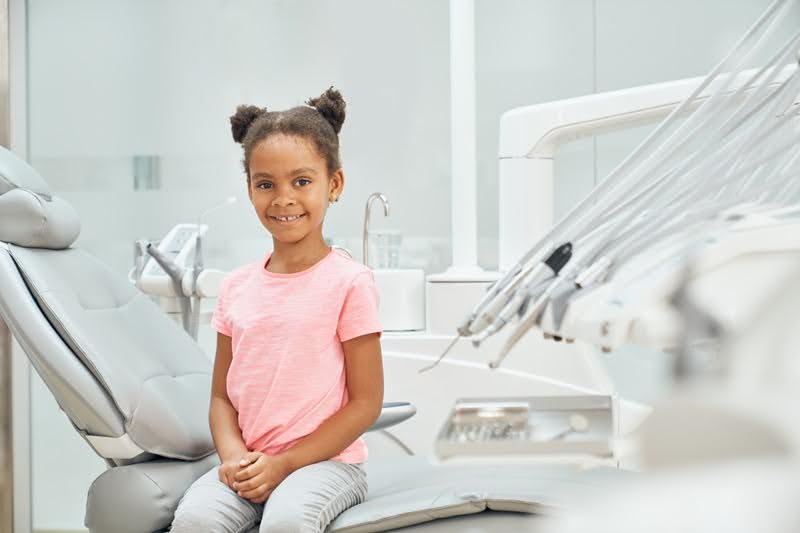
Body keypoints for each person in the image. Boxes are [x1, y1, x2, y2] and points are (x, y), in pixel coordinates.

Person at [171, 87, 384, 532]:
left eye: (301, 182)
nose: (283, 198)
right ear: (249, 188)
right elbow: (221, 397)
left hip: (326, 463)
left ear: (335, 184)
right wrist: (232, 457)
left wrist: (284, 464)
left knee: (286, 522)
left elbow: (366, 402)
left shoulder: (349, 282)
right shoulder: (236, 287)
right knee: (195, 520)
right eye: (265, 184)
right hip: (247, 462)